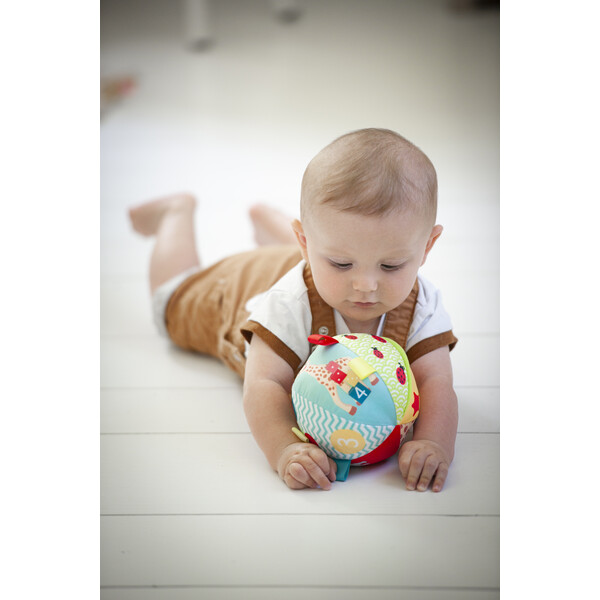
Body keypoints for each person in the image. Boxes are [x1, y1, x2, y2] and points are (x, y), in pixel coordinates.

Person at [128, 128, 458, 493]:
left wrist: (433, 442)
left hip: (305, 258)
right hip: (234, 289)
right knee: (171, 302)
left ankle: (274, 227)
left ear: (427, 246)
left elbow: (436, 381)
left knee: (339, 250)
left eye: (391, 266)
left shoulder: (420, 303)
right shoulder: (287, 304)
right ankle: (175, 212)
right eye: (342, 264)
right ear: (306, 242)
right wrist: (285, 448)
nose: (366, 285)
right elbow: (264, 384)